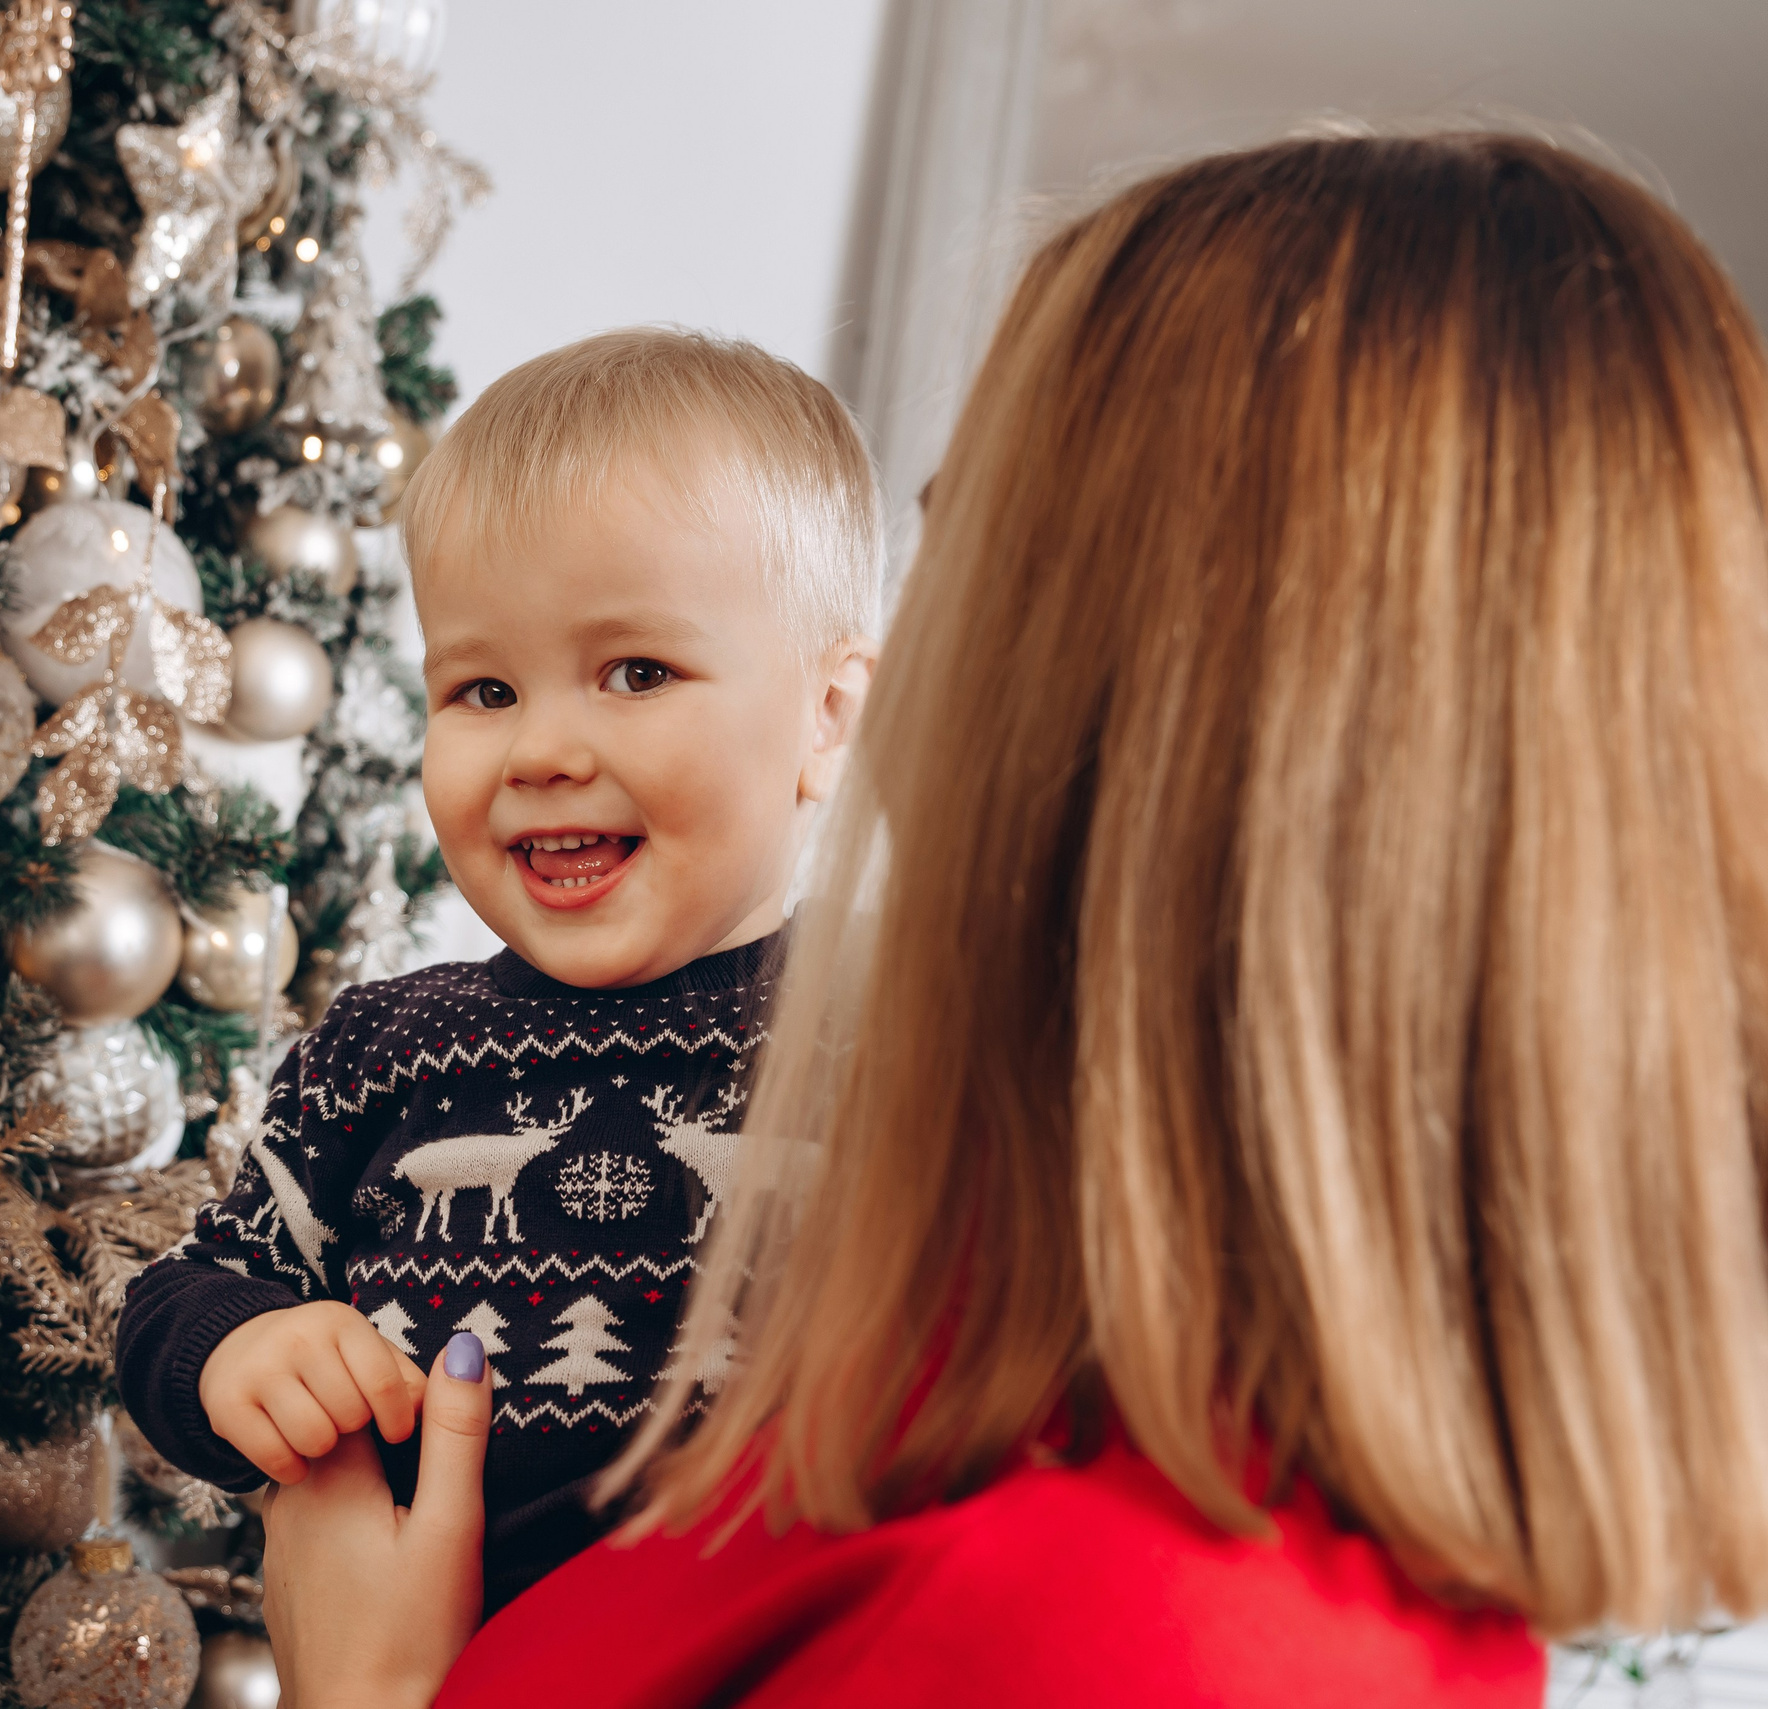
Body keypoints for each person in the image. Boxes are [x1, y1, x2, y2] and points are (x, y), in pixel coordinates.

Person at [257, 131, 1768, 1707]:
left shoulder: (1108, 1638)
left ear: (1172, 736)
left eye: (963, 562)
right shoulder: (976, 1376)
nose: (894, 713)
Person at [115, 330, 885, 1610]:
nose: (539, 750)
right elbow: (187, 1287)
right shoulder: (382, 1052)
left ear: (825, 715)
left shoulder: (894, 1036)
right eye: (480, 687)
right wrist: (235, 1347)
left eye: (635, 672)